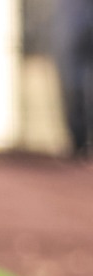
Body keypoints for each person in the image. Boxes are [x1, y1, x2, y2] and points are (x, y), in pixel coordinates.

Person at [57, 0, 93, 159]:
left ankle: (79, 143)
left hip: (75, 18)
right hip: (75, 18)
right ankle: (79, 142)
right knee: (74, 80)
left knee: (74, 79)